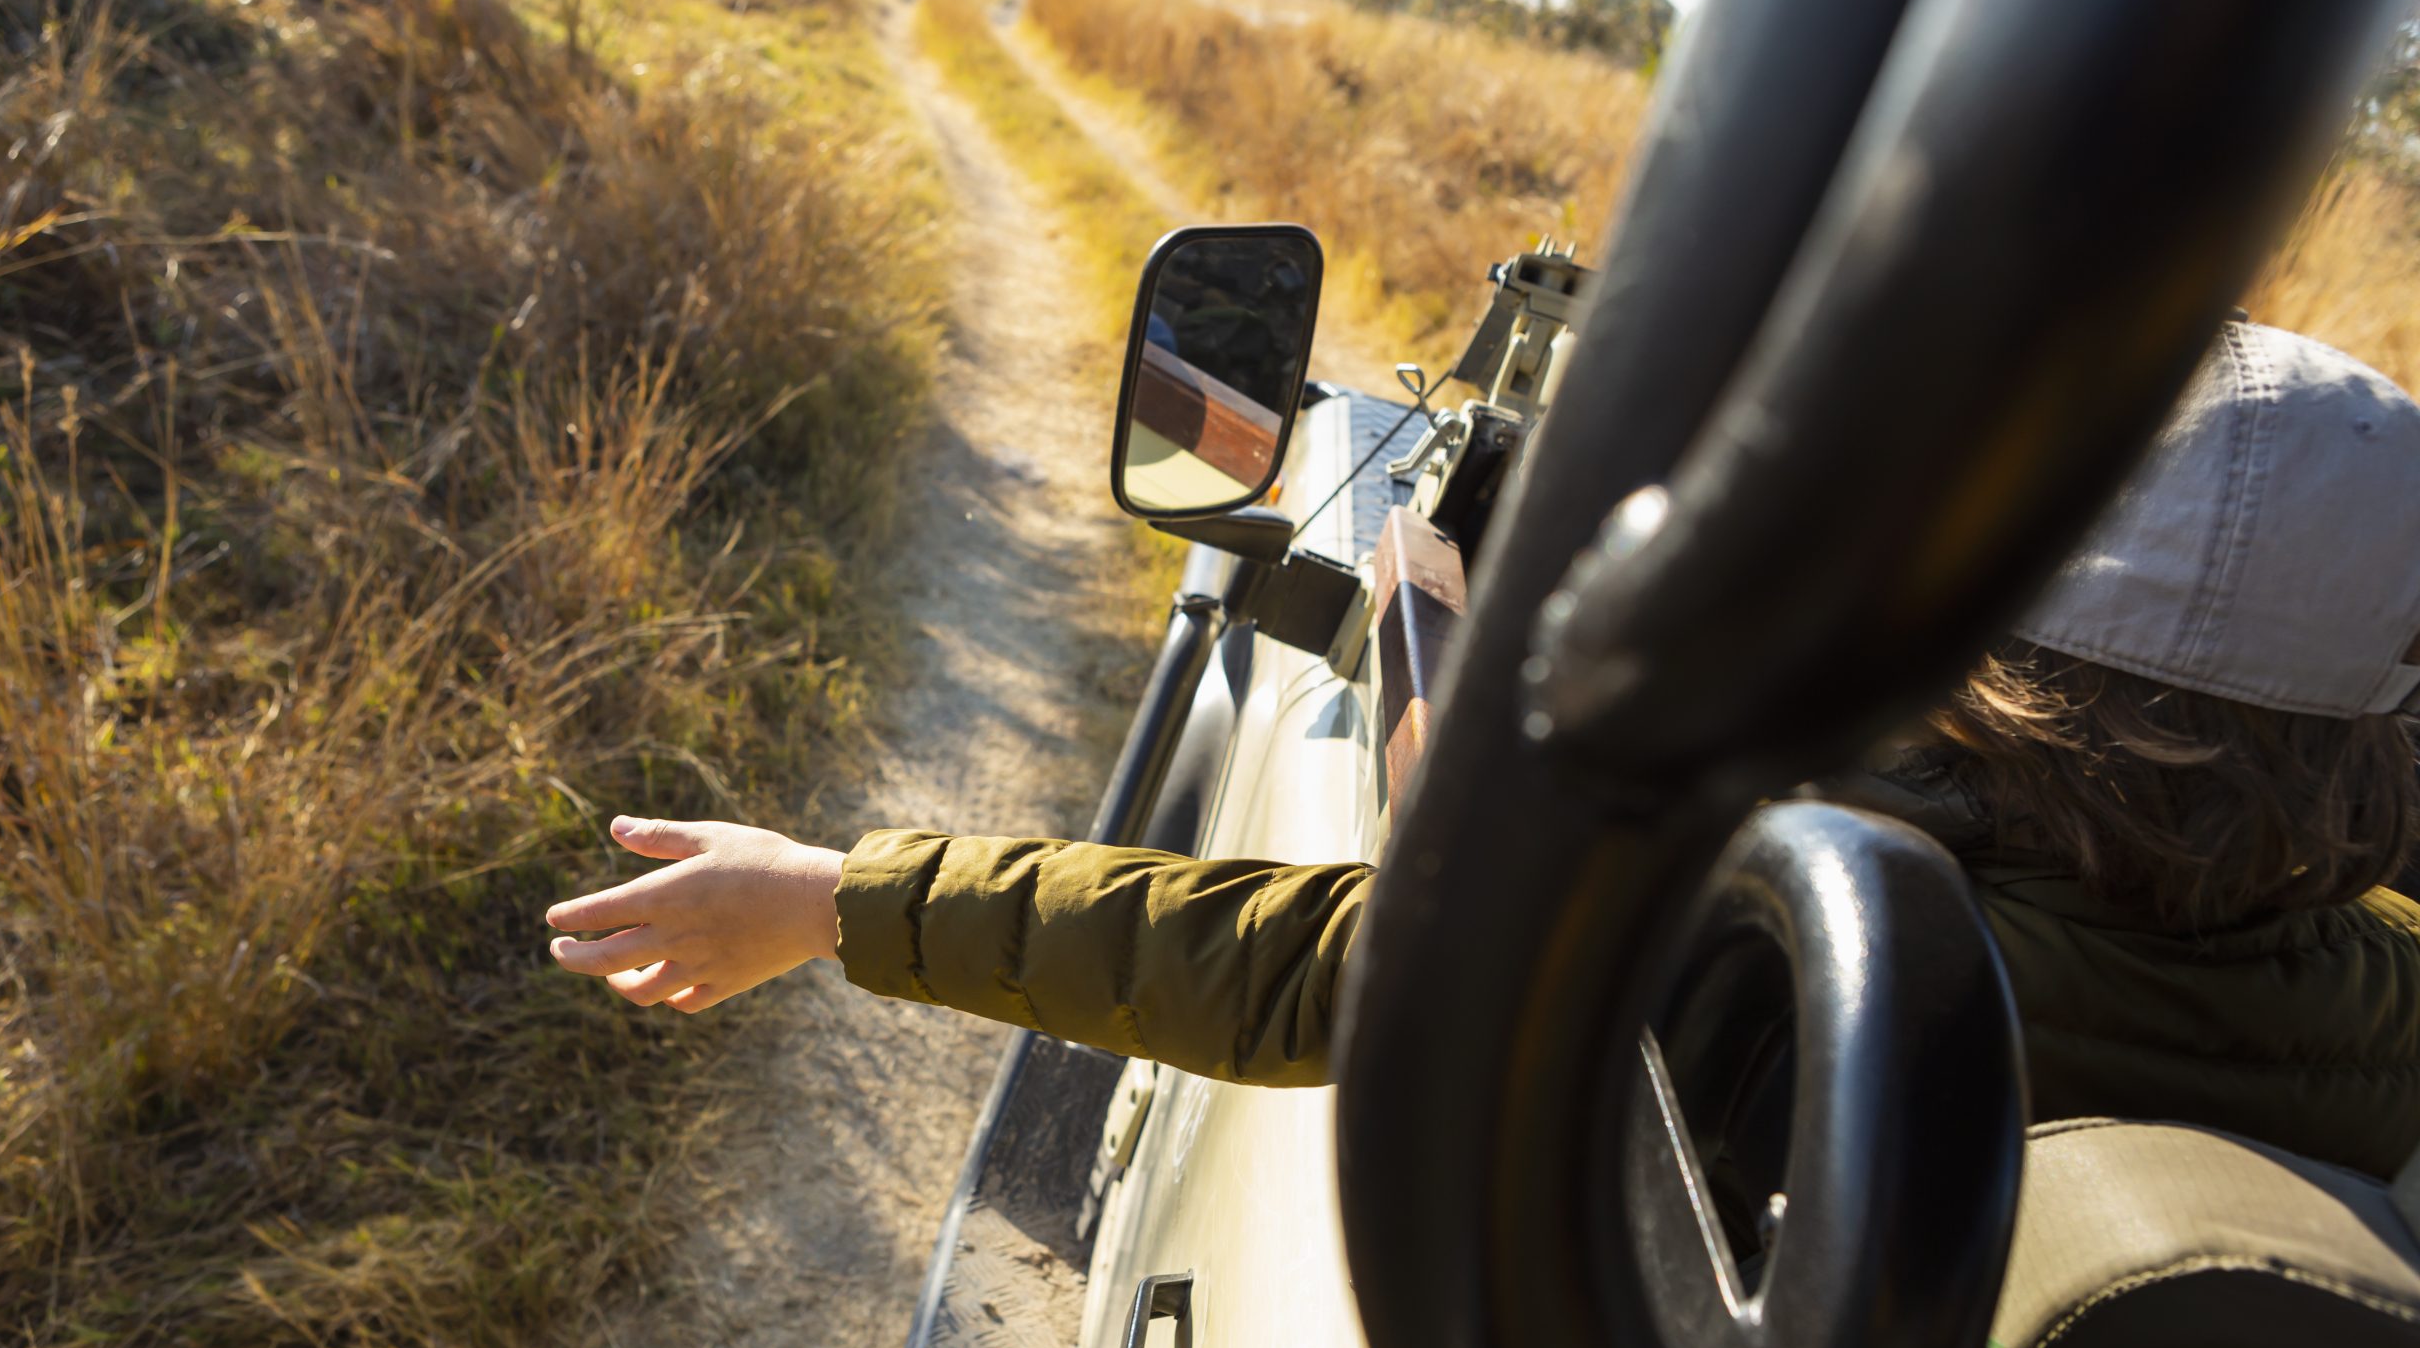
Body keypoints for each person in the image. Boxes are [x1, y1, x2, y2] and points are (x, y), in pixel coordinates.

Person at [545, 321, 2420, 1179]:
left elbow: (1315, 960)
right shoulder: (2378, 1017)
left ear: (1996, 668)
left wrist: (839, 897)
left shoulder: (1799, 933)